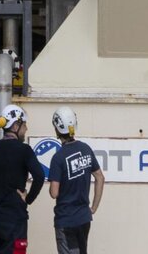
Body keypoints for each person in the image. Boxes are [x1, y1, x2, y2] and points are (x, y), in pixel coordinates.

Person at [0, 106, 45, 254]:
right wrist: (28, 198)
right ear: (16, 126)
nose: (26, 129)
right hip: (15, 219)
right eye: (24, 125)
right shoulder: (24, 150)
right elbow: (40, 176)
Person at [47, 108, 103, 254]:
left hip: (66, 220)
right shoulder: (85, 149)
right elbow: (100, 177)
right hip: (84, 218)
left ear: (57, 129)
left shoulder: (58, 158)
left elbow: (54, 193)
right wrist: (93, 208)